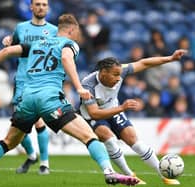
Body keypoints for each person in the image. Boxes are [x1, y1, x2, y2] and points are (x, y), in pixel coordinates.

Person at [0, 14, 139, 187]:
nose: (78, 35)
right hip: (50, 99)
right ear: (72, 29)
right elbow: (66, 57)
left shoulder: (35, 43)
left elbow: (6, 51)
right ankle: (108, 172)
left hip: (27, 99)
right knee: (90, 137)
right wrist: (78, 87)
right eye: (77, 31)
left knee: (9, 141)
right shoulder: (69, 44)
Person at [79, 49, 187, 185]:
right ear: (104, 72)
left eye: (119, 74)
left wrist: (170, 59)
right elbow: (94, 112)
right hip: (93, 116)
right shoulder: (88, 85)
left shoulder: (120, 70)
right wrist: (122, 108)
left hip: (113, 109)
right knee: (109, 139)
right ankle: (130, 176)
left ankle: (164, 175)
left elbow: (144, 63)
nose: (119, 78)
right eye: (115, 75)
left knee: (133, 139)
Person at [2, 0, 57, 174]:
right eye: (38, 4)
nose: (41, 7)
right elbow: (14, 46)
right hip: (22, 81)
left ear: (47, 8)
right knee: (19, 124)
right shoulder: (21, 28)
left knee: (40, 122)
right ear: (31, 7)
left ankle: (44, 163)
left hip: (42, 82)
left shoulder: (54, 31)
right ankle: (32, 155)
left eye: (44, 4)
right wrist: (8, 41)